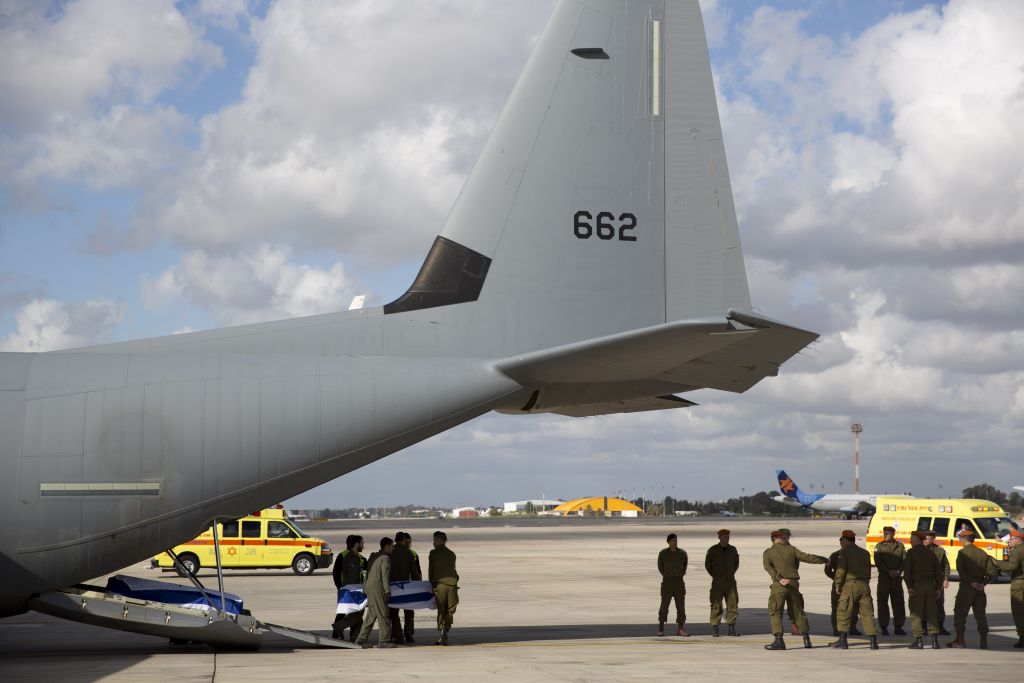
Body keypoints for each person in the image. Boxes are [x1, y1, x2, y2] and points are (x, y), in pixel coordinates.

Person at [763, 529, 828, 650]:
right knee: (798, 611)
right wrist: (824, 560)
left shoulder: (768, 552)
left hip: (779, 585)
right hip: (794, 584)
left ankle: (779, 640)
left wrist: (779, 579)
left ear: (772, 539)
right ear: (780, 538)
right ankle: (806, 639)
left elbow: (768, 568)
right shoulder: (792, 550)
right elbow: (807, 557)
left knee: (775, 612)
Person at [947, 528, 998, 648]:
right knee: (980, 615)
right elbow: (992, 572)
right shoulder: (982, 552)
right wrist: (983, 584)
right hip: (980, 589)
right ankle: (983, 641)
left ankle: (960, 640)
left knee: (960, 613)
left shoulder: (963, 553)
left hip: (967, 587)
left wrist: (971, 583)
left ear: (964, 540)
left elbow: (961, 571)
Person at [830, 530, 878, 650]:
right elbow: (868, 570)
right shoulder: (865, 553)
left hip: (850, 584)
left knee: (844, 611)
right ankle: (873, 642)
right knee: (867, 613)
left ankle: (843, 641)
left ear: (846, 540)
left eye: (841, 540)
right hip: (864, 585)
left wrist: (838, 585)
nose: (841, 542)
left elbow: (841, 571)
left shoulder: (844, 553)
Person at [355, 537, 396, 649]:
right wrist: (387, 591)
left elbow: (367, 572)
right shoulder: (385, 558)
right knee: (383, 613)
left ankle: (361, 640)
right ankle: (384, 640)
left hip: (369, 587)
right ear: (386, 546)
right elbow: (385, 576)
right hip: (377, 588)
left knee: (371, 615)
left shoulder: (373, 556)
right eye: (392, 546)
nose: (393, 548)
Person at [903, 530, 941, 649]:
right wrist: (938, 587)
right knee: (932, 613)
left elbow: (907, 572)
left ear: (917, 540)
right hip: (930, 586)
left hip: (917, 586)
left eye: (912, 538)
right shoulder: (930, 553)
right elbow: (938, 572)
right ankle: (935, 641)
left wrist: (909, 586)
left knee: (916, 613)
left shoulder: (911, 553)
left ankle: (918, 640)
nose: (910, 540)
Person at [705, 529, 740, 637]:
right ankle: (715, 628)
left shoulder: (733, 549)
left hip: (730, 581)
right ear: (719, 537)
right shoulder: (713, 550)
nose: (726, 538)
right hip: (718, 581)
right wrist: (716, 575)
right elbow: (708, 565)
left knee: (732, 604)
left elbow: (736, 564)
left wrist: (730, 574)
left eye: (727, 536)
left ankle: (731, 628)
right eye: (724, 536)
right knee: (716, 604)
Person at [331, 535, 366, 642]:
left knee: (355, 614)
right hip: (346, 590)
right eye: (362, 543)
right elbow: (336, 573)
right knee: (343, 612)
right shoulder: (343, 556)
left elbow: (367, 566)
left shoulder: (360, 557)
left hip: (357, 590)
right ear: (356, 544)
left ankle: (354, 637)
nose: (363, 545)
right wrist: (340, 587)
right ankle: (336, 633)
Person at [873, 526, 907, 636]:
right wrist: (888, 572)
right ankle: (883, 626)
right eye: (884, 533)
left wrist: (898, 571)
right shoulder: (879, 546)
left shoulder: (900, 546)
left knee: (898, 602)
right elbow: (878, 561)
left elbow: (904, 561)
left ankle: (898, 626)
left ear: (893, 534)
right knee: (882, 603)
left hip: (896, 579)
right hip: (884, 578)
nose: (885, 535)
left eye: (887, 533)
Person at [429, 530, 459, 645]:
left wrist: (432, 584)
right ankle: (445, 631)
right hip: (452, 585)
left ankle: (442, 632)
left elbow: (431, 570)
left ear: (441, 540)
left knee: (441, 609)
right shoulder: (452, 554)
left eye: (435, 540)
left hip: (440, 585)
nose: (433, 543)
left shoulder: (433, 553)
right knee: (450, 610)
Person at [995, 528, 1023, 648]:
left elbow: (1012, 566)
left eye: (1012, 539)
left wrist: (997, 563)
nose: (1010, 541)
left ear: (1018, 540)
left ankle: (1022, 637)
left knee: (1019, 612)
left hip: (1019, 584)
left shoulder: (1017, 551)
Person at [825, 538, 859, 637]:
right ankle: (836, 629)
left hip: (851, 583)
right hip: (839, 585)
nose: (841, 543)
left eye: (843, 541)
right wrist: (836, 579)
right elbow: (827, 570)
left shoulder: (857, 554)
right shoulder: (835, 555)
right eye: (840, 541)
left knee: (854, 606)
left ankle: (852, 627)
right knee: (836, 607)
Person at [657, 533, 688, 637]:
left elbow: (685, 566)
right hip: (667, 582)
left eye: (675, 540)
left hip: (679, 582)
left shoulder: (682, 553)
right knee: (664, 607)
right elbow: (660, 567)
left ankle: (681, 629)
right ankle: (661, 628)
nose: (674, 542)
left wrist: (679, 574)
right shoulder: (663, 554)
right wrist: (667, 575)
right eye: (672, 541)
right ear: (668, 542)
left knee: (681, 607)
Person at [389, 531, 416, 644]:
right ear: (404, 540)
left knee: (393, 613)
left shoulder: (390, 551)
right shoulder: (408, 552)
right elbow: (414, 571)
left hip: (393, 587)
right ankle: (409, 634)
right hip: (406, 587)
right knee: (409, 611)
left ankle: (397, 636)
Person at [922, 530, 951, 635]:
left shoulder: (939, 551)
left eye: (928, 538)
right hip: (924, 581)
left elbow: (946, 565)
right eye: (925, 538)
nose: (926, 540)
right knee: (923, 604)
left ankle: (940, 626)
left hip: (937, 581)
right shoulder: (919, 550)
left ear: (933, 539)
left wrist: (946, 579)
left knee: (939, 604)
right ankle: (923, 627)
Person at [779, 528, 800, 635]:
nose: (785, 537)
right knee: (778, 607)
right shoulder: (774, 550)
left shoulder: (793, 549)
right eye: (783, 535)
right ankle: (778, 629)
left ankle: (795, 626)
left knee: (794, 606)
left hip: (791, 582)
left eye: (787, 535)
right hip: (778, 582)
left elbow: (796, 565)